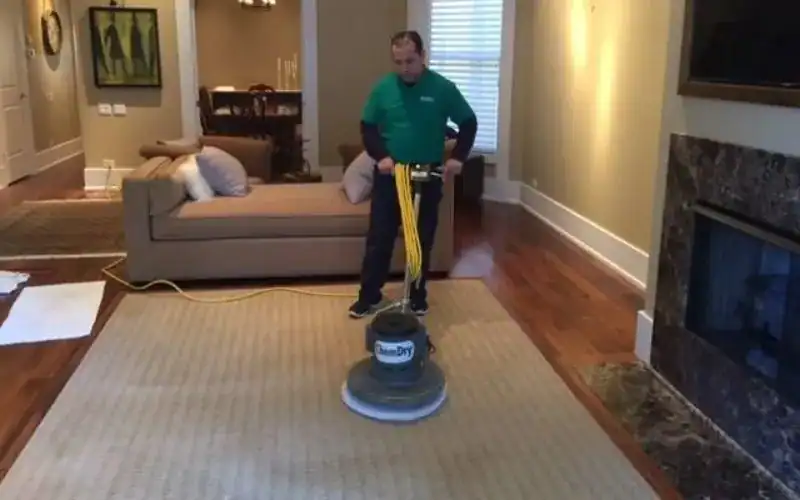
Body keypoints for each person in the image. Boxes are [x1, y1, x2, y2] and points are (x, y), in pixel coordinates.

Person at [349, 30, 477, 319]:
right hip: (391, 175)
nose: (405, 68)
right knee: (379, 237)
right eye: (398, 62)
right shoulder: (384, 88)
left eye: (410, 60)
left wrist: (458, 158)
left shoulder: (442, 88)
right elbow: (367, 127)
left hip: (426, 175)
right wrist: (381, 156)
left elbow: (468, 122)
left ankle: (417, 296)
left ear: (423, 56)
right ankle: (368, 297)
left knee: (420, 239)